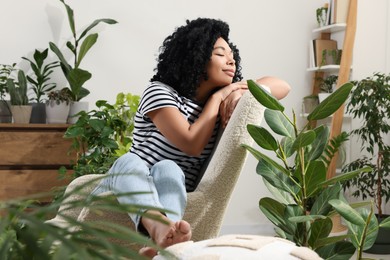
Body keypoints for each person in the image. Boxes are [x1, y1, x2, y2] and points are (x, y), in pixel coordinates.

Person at [91, 17, 290, 257]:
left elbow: (282, 86)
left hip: (172, 187)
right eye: (220, 53)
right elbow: (191, 143)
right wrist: (220, 97)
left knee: (169, 168)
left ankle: (166, 239)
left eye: (231, 54)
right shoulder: (160, 92)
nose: (231, 59)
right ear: (196, 57)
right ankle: (160, 230)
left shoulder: (221, 103)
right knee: (128, 162)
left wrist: (237, 89)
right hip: (125, 183)